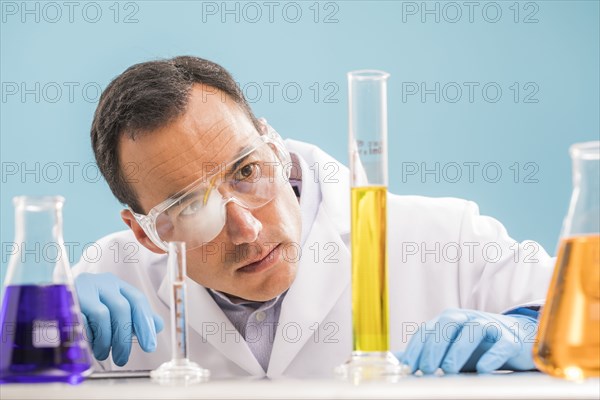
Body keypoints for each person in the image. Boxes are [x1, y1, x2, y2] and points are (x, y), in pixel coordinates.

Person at [73, 56, 554, 379]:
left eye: (247, 171)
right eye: (191, 208)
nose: (248, 230)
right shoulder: (108, 279)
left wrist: (530, 331)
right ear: (146, 234)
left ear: (274, 145)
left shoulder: (444, 239)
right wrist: (38, 333)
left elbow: (587, 308)